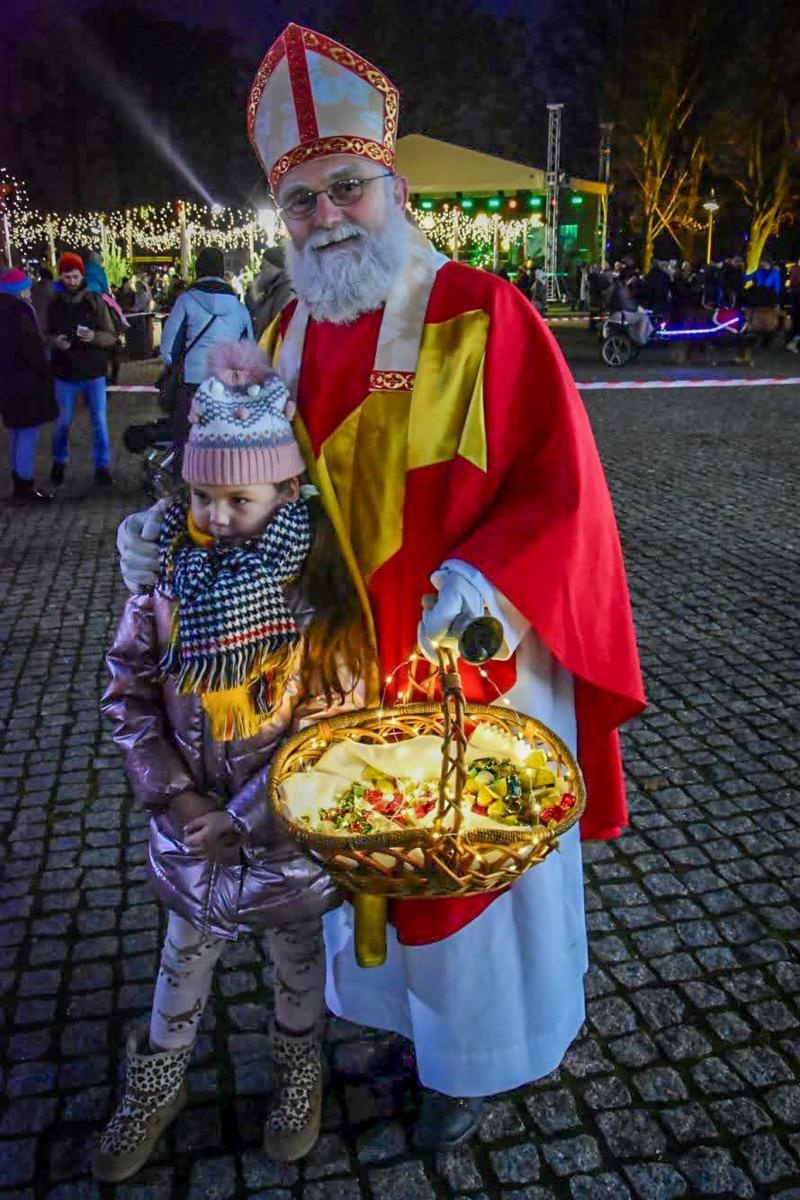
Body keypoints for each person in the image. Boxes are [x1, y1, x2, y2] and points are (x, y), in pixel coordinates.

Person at [116, 23, 644, 1152]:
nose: (325, 220)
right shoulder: (280, 329)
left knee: (463, 888)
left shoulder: (483, 314)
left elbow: (561, 489)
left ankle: (476, 1062)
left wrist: (479, 581)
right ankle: (392, 1027)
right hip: (333, 677)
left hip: (471, 668)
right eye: (301, 203)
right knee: (356, 862)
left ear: (391, 187)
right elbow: (245, 485)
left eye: (344, 189)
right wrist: (175, 530)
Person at [94, 340, 366, 1182]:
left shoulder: (316, 600)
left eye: (238, 499)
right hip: (189, 833)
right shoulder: (168, 584)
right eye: (202, 497)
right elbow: (127, 694)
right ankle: (158, 1079)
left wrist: (241, 816)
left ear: (288, 493)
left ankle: (297, 1072)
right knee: (182, 960)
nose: (214, 517)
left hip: (280, 838)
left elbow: (328, 726)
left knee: (295, 964)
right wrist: (177, 801)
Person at [159, 246, 253, 456]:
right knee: (225, 444)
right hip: (227, 386)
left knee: (186, 442)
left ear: (198, 269)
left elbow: (167, 347)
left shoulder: (186, 300)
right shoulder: (239, 309)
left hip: (192, 384)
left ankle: (183, 484)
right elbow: (248, 352)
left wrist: (175, 365)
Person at [45, 251, 116, 487]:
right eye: (67, 277)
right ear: (61, 277)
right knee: (63, 421)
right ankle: (58, 461)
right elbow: (45, 334)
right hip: (64, 373)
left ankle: (102, 466)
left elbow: (111, 336)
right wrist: (55, 341)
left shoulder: (95, 300)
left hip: (93, 372)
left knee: (99, 421)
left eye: (75, 276)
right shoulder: (54, 303)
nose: (72, 282)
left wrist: (94, 336)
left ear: (82, 275)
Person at [0, 267, 57, 502]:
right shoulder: (19, 312)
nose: (29, 292)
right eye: (26, 287)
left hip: (6, 383)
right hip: (24, 384)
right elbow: (31, 350)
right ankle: (24, 485)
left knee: (16, 435)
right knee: (26, 436)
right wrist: (45, 371)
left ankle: (19, 481)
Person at [246, 246, 293, 339]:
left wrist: (255, 291)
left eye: (263, 265)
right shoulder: (273, 289)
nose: (260, 269)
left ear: (275, 267)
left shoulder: (285, 291)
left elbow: (265, 324)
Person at [785, 261, 800, 353]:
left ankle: (792, 341)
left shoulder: (794, 269)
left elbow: (791, 282)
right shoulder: (795, 269)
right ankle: (793, 342)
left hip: (795, 297)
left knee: (795, 322)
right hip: (797, 297)